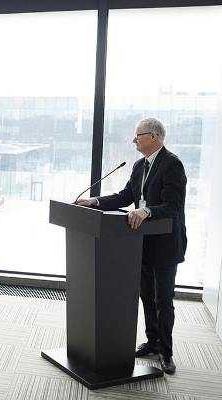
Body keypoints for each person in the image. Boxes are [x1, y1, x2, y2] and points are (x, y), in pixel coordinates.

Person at [76, 117, 187, 374]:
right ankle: (152, 341)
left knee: (163, 300)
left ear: (154, 137)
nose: (133, 140)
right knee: (146, 294)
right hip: (141, 243)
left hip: (166, 243)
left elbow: (173, 206)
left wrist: (146, 211)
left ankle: (166, 352)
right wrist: (95, 201)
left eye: (138, 135)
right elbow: (126, 197)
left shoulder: (172, 164)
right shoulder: (139, 165)